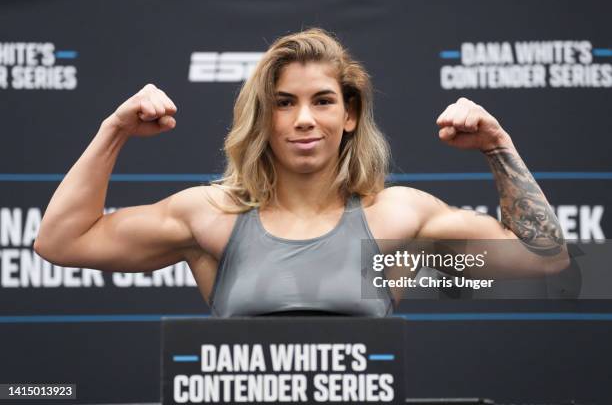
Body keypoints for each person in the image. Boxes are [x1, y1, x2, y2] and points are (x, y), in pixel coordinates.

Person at [34, 28, 569, 317]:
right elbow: (60, 241)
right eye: (284, 102)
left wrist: (498, 145)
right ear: (263, 118)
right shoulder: (212, 217)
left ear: (350, 114)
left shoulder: (396, 217)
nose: (305, 119)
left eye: (323, 101)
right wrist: (114, 130)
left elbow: (547, 261)